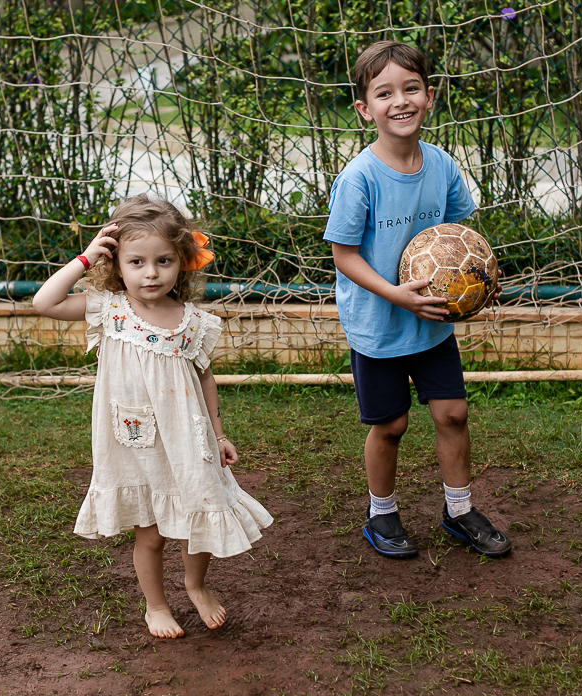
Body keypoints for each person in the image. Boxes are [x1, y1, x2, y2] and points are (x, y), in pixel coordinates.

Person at [32, 194, 273, 638]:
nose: (150, 272)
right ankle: (156, 606)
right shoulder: (108, 309)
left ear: (181, 262)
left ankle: (196, 585)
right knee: (151, 532)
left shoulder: (192, 321)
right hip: (133, 439)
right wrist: (85, 258)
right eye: (137, 261)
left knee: (199, 513)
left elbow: (205, 380)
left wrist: (219, 434)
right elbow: (44, 302)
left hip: (187, 437)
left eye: (163, 260)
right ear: (116, 264)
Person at [323, 41, 512, 560]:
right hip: (379, 325)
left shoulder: (443, 166)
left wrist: (474, 281)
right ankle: (381, 514)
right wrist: (395, 295)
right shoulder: (359, 179)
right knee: (391, 424)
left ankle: (459, 510)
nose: (399, 101)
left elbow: (455, 236)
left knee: (453, 413)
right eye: (384, 93)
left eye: (410, 89)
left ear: (429, 97)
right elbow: (343, 256)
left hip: (431, 323)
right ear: (365, 109)